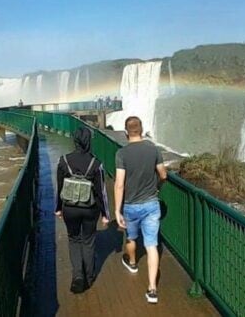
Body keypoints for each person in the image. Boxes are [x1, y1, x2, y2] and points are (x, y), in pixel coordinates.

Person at [114, 116, 167, 304]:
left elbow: (119, 184)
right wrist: (156, 188)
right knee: (152, 245)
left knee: (131, 237)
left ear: (126, 132)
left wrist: (117, 211)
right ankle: (152, 289)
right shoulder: (153, 149)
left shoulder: (122, 153)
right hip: (152, 204)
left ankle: (133, 263)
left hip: (131, 205)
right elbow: (163, 174)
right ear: (142, 129)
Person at [56, 127, 110, 293]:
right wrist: (105, 214)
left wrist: (58, 209)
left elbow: (59, 187)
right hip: (89, 209)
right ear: (89, 141)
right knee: (88, 240)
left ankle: (77, 276)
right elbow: (101, 192)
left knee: (74, 240)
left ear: (75, 140)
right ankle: (89, 276)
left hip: (69, 208)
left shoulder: (63, 160)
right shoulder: (96, 163)